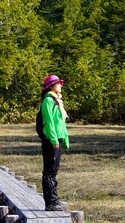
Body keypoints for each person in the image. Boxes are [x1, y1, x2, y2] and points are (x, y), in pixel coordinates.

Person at [40, 74, 69, 211]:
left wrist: (65, 138)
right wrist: (53, 138)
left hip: (58, 138)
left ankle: (54, 199)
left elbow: (61, 123)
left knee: (54, 171)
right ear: (51, 86)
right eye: (57, 83)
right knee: (49, 171)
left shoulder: (57, 101)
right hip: (52, 140)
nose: (60, 85)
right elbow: (49, 122)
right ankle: (51, 202)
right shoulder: (48, 101)